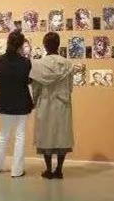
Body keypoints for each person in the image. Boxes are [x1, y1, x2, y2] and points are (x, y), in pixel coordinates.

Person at [30, 32, 84, 179]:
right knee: (62, 136)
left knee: (45, 136)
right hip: (62, 103)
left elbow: (35, 88)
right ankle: (59, 169)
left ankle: (48, 170)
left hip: (45, 102)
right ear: (58, 45)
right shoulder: (68, 64)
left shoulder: (38, 65)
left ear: (44, 45)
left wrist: (34, 101)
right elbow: (70, 87)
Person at [0, 30, 33, 178]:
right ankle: (17, 170)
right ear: (21, 45)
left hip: (5, 101)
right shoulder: (26, 62)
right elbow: (28, 81)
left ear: (8, 42)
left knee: (4, 133)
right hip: (22, 101)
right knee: (20, 135)